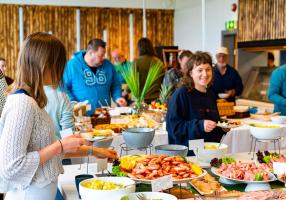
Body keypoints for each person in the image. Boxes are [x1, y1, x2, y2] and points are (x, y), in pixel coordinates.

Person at [0, 32, 117, 199]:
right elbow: (12, 167)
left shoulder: (31, 99)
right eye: (60, 63)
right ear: (45, 64)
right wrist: (60, 146)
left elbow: (47, 151)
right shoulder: (22, 103)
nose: (62, 70)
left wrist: (95, 151)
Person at [166, 52, 229, 156]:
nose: (205, 74)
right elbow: (173, 128)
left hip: (209, 152)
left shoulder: (211, 94)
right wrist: (199, 125)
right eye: (200, 70)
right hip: (188, 155)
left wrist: (222, 128)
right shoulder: (181, 94)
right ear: (191, 73)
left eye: (208, 69)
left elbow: (211, 125)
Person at [64, 39, 127, 116]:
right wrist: (73, 102)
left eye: (104, 55)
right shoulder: (72, 65)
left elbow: (115, 84)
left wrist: (117, 97)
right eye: (101, 55)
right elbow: (63, 87)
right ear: (91, 53)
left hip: (104, 115)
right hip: (82, 117)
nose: (103, 58)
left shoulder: (108, 65)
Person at [132, 38, 165, 103]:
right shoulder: (159, 62)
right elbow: (163, 81)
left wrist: (125, 92)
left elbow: (133, 81)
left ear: (139, 48)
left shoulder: (136, 62)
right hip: (156, 100)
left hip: (141, 100)